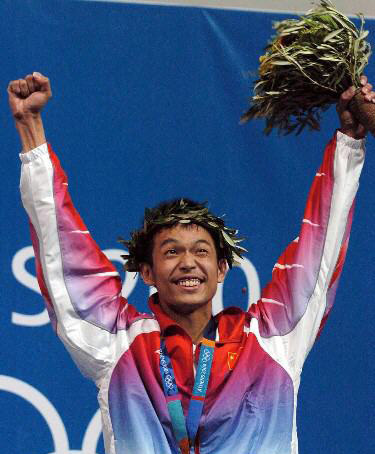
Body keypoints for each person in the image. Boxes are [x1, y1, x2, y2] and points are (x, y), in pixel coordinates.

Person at [8, 72, 374, 454]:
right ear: (146, 272)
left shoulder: (272, 341)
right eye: (171, 252)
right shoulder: (119, 347)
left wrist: (349, 144)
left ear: (222, 269)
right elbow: (62, 253)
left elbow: (319, 250)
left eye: (201, 251)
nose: (187, 263)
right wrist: (30, 127)